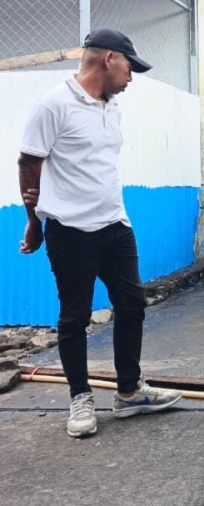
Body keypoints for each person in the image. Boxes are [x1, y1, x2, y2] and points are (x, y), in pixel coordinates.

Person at [18, 29, 182, 439]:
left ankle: (128, 391)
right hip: (70, 230)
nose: (132, 77)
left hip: (115, 224)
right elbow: (28, 162)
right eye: (130, 66)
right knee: (75, 316)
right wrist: (34, 221)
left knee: (132, 304)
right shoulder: (54, 104)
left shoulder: (113, 108)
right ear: (109, 59)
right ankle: (80, 397)